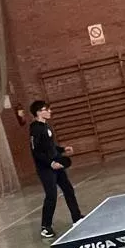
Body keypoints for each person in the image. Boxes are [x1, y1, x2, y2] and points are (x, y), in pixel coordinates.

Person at [28, 100, 82, 239]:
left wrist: (63, 149)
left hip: (57, 164)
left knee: (68, 189)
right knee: (51, 195)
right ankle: (45, 227)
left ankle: (77, 217)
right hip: (46, 168)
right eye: (46, 109)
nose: (50, 111)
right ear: (39, 112)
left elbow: (50, 147)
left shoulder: (47, 126)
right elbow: (37, 152)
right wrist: (50, 163)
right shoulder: (35, 129)